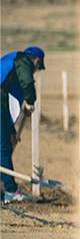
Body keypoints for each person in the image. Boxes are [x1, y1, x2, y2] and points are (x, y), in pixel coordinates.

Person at [1, 46, 46, 203]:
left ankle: (6, 188)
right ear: (36, 60)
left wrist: (12, 131)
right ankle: (10, 191)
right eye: (37, 67)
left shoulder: (13, 61)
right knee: (3, 148)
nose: (35, 71)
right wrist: (30, 100)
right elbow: (26, 82)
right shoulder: (23, 60)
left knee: (5, 142)